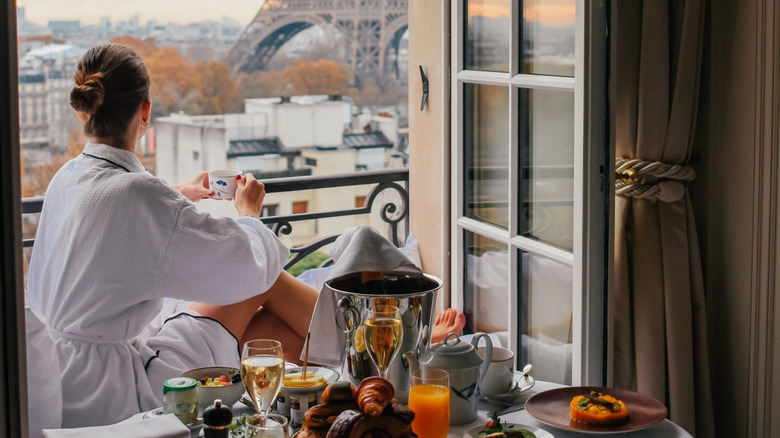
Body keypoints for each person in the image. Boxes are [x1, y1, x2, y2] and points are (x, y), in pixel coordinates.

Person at [25, 43, 318, 429]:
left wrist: (175, 196)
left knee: (257, 333)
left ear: (83, 110)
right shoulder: (140, 195)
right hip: (119, 389)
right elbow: (249, 266)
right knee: (265, 283)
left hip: (68, 380)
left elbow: (108, 222)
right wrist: (249, 212)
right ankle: (363, 346)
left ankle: (338, 365)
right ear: (145, 111)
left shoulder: (68, 176)